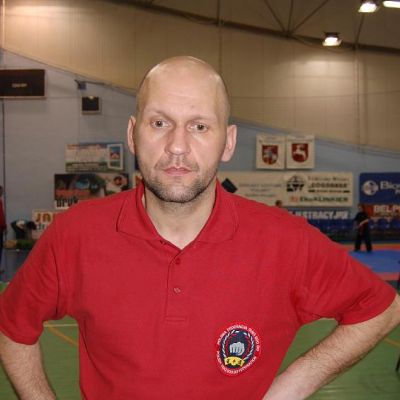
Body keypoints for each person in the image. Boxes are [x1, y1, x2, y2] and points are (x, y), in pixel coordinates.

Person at [0, 56, 399, 400]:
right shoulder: (75, 235)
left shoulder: (286, 242)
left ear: (229, 142)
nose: (177, 145)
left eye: (200, 126)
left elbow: (382, 308)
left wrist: (290, 387)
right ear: (133, 134)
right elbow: (12, 327)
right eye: (160, 122)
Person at [0, 186, 6, 265]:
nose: (2, 193)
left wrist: (4, 226)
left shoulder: (0, 202)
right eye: (1, 191)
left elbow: (2, 215)